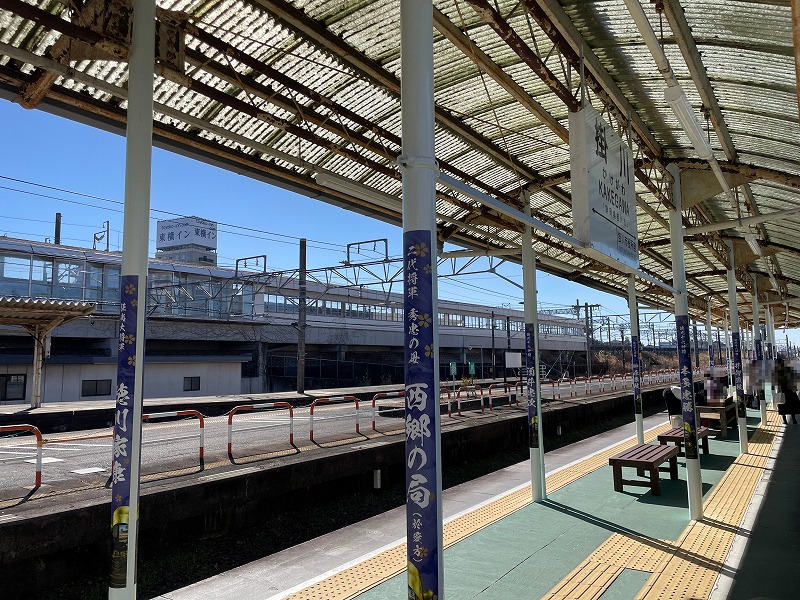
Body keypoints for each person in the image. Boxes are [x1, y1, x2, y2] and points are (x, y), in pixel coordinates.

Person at [774, 355, 800, 424]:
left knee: (789, 405)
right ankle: (785, 420)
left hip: (788, 390)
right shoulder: (785, 370)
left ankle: (793, 419)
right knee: (784, 406)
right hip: (784, 391)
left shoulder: (782, 371)